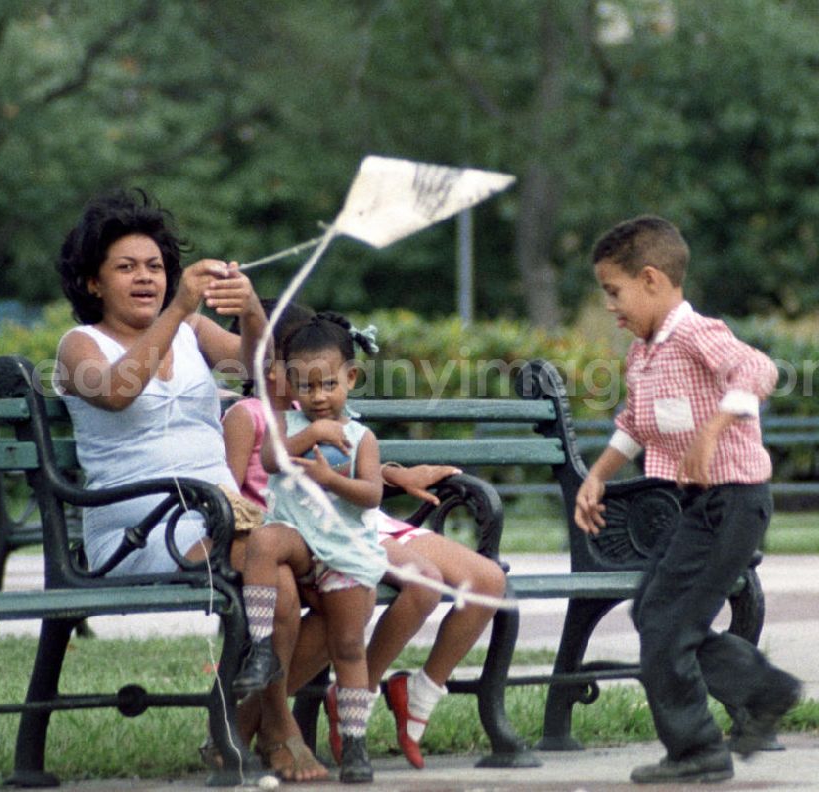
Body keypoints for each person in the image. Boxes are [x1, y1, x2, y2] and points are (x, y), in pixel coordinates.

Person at [53, 188, 304, 769]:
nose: (146, 278)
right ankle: (277, 730)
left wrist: (249, 311)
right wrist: (177, 310)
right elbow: (117, 391)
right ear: (94, 283)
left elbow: (261, 368)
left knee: (302, 582)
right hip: (140, 527)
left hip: (219, 514)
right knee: (276, 575)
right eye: (126, 268)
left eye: (156, 268)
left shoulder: (189, 330)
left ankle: (239, 731)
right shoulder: (78, 346)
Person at [222, 301, 506, 771]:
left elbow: (351, 462)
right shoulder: (259, 416)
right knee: (420, 580)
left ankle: (395, 695)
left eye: (322, 376)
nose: (306, 385)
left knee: (486, 580)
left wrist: (393, 474)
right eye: (288, 368)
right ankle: (333, 702)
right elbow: (246, 487)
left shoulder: (320, 411)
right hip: (302, 527)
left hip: (352, 519)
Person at [573, 215, 802, 785]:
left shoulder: (697, 333)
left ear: (651, 279)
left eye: (613, 291)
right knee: (653, 609)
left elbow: (757, 369)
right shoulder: (644, 353)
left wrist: (713, 429)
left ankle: (698, 749)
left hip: (734, 503)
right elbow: (634, 424)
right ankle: (764, 691)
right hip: (699, 509)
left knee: (670, 626)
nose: (609, 306)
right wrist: (597, 475)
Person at [238, 311, 386, 784]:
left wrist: (329, 479)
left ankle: (356, 744)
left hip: (343, 549)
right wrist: (311, 436)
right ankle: (262, 647)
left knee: (348, 647)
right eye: (306, 387)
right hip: (300, 539)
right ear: (290, 385)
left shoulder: (362, 437)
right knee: (263, 540)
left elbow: (372, 494)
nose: (318, 397)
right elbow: (268, 459)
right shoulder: (290, 424)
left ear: (351, 378)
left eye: (328, 385)